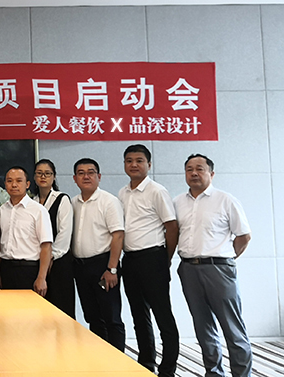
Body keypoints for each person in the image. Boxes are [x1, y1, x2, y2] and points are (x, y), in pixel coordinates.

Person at [173, 154, 252, 377]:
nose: (194, 173)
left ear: (211, 173)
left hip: (219, 269)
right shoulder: (177, 202)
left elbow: (244, 236)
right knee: (203, 327)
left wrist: (226, 259)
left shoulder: (226, 200)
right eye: (189, 169)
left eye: (200, 168)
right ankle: (214, 373)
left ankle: (241, 374)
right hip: (188, 269)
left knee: (232, 327)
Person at [118, 145, 180, 377]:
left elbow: (171, 227)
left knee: (163, 315)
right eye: (129, 160)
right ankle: (146, 363)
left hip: (153, 258)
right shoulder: (122, 192)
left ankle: (168, 369)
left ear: (149, 164)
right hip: (130, 260)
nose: (134, 164)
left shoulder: (157, 191)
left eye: (139, 160)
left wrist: (165, 259)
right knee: (139, 315)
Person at [71, 158, 126, 351]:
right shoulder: (73, 203)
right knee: (92, 316)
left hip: (103, 267)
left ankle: (118, 362)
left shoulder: (109, 201)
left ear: (99, 176)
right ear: (74, 178)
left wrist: (112, 269)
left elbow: (118, 235)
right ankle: (99, 358)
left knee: (111, 317)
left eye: (91, 172)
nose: (86, 176)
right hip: (81, 268)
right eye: (81, 173)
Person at [30, 159, 75, 318]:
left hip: (59, 262)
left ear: (54, 177)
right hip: (39, 261)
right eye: (39, 173)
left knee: (61, 309)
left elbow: (64, 233)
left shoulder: (62, 199)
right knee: (42, 311)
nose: (43, 177)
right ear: (34, 177)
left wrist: (50, 256)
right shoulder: (32, 202)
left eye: (47, 173)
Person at [0, 166, 53, 295]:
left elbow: (46, 246)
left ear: (27, 184)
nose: (14, 185)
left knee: (29, 308)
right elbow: (0, 244)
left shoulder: (38, 210)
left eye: (19, 181)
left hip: (29, 269)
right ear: (5, 184)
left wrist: (42, 278)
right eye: (9, 181)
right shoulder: (2, 210)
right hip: (6, 267)